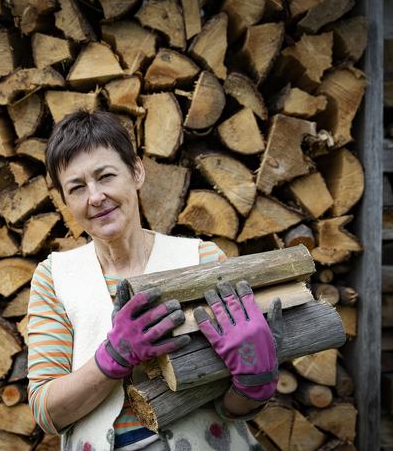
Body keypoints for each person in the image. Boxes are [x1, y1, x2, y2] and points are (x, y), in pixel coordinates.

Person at [26, 110, 282, 451]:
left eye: (105, 176)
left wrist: (254, 383)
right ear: (65, 201)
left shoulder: (202, 261)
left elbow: (232, 410)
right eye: (77, 188)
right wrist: (113, 358)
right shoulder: (55, 277)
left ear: (136, 172)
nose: (95, 196)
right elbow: (47, 412)